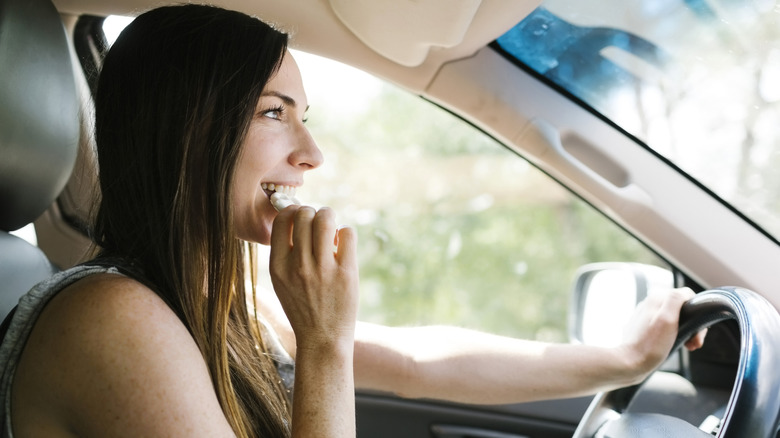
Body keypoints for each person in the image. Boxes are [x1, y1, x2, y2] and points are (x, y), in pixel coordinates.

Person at [0, 4, 704, 438]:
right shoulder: (109, 317)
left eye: (304, 117)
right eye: (274, 113)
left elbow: (415, 362)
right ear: (185, 130)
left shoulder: (216, 311)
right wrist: (325, 344)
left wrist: (625, 359)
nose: (312, 155)